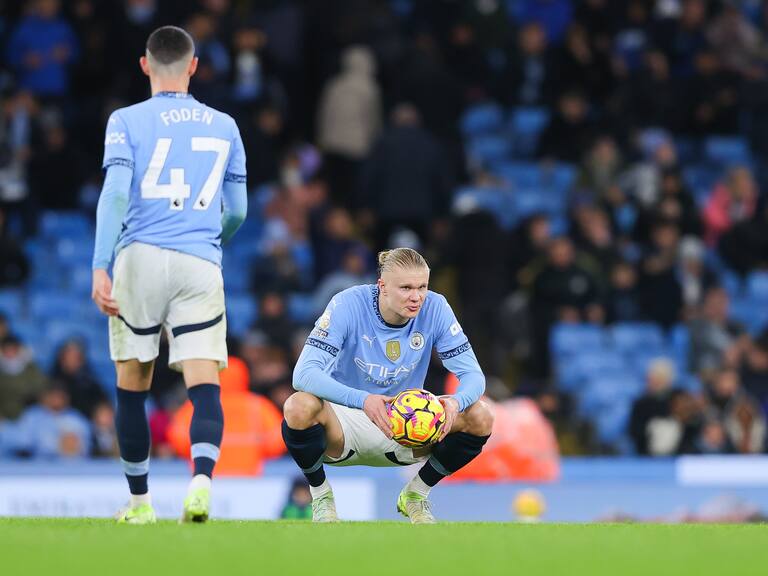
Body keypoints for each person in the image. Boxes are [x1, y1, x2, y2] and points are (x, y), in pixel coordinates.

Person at [90, 26, 247, 524]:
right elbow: (238, 210)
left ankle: (140, 505)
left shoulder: (125, 120)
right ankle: (200, 483)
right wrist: (210, 239)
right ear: (194, 66)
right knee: (205, 383)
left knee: (132, 380)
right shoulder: (225, 125)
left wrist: (100, 265)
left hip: (139, 256)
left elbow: (115, 194)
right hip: (199, 260)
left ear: (145, 65)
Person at [282, 247, 493, 524]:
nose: (416, 297)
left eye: (422, 287)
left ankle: (416, 494)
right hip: (344, 422)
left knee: (481, 415)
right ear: (382, 286)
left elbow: (474, 377)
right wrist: (364, 399)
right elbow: (304, 374)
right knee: (297, 406)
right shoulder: (348, 304)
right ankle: (321, 496)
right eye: (406, 287)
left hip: (407, 424)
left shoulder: (436, 307)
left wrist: (454, 403)